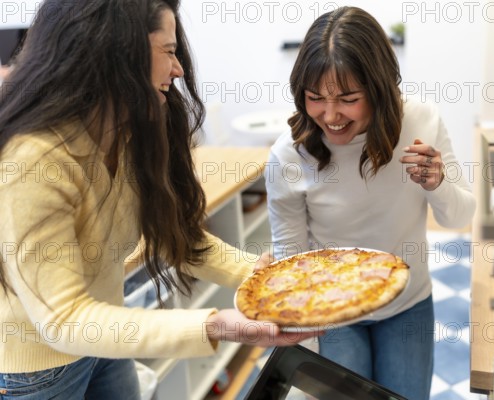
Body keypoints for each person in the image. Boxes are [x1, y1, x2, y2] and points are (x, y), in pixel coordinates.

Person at [0, 1, 318, 399]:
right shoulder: (35, 158)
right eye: (168, 51)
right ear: (116, 51)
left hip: (104, 335)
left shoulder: (128, 130)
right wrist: (218, 325)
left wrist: (264, 278)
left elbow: (177, 239)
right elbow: (62, 318)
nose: (179, 69)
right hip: (37, 366)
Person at [265, 6, 476, 399]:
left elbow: (460, 215)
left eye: (348, 99)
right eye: (315, 98)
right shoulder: (288, 157)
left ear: (378, 88)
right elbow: (291, 263)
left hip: (408, 302)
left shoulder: (421, 122)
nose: (331, 116)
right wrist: (304, 360)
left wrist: (438, 183)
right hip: (332, 313)